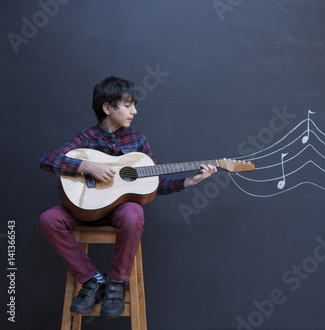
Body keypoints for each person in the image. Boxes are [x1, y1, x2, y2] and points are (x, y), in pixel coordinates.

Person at [39, 76, 217, 318]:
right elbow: (48, 160)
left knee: (134, 212)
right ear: (108, 108)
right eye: (128, 105)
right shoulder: (86, 139)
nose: (135, 111)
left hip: (118, 213)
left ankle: (116, 285)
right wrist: (87, 167)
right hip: (83, 209)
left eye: (135, 105)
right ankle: (92, 281)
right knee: (49, 219)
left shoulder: (138, 141)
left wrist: (189, 181)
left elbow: (155, 184)